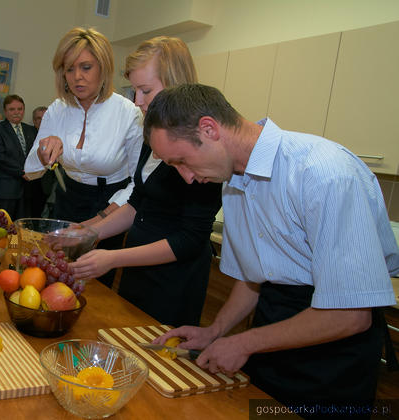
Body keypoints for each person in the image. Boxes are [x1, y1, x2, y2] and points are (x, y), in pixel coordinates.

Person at [147, 84, 399, 413]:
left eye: (181, 161)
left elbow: (350, 314)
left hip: (334, 351)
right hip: (272, 329)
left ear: (209, 129)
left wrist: (245, 341)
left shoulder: (323, 173)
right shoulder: (233, 180)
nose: (186, 178)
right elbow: (255, 277)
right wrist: (216, 330)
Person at [70, 37, 222, 327]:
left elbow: (190, 239)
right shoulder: (151, 130)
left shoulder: (201, 146)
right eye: (134, 90)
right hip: (137, 267)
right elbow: (137, 203)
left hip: (174, 280)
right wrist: (87, 233)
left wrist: (115, 259)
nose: (138, 101)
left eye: (146, 90)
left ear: (175, 83)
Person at [24, 27, 143, 287]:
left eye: (86, 67)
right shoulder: (58, 109)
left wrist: (100, 219)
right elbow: (31, 169)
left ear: (103, 68)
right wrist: (45, 149)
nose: (77, 77)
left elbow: (138, 183)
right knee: (57, 274)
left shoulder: (128, 114)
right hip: (69, 197)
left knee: (94, 281)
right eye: (69, 69)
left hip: (111, 203)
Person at [0, 94, 38, 220]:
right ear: (5, 112)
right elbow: (1, 158)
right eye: (12, 109)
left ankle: (15, 242)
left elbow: (36, 154)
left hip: (28, 191)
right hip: (6, 190)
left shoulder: (32, 130)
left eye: (20, 109)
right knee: (3, 227)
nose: (16, 112)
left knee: (20, 229)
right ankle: (9, 242)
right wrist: (22, 172)